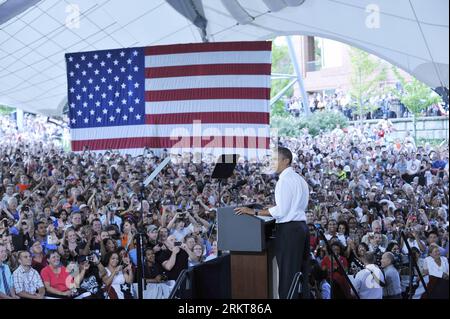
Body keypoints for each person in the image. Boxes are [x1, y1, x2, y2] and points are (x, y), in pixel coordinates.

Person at [235, 147, 310, 299]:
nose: (272, 163)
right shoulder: (300, 179)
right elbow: (292, 206)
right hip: (301, 227)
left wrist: (254, 212)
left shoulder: (284, 180)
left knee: (288, 275)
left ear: (286, 160)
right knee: (301, 272)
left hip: (289, 229)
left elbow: (281, 211)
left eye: (275, 159)